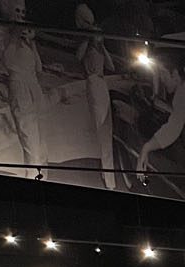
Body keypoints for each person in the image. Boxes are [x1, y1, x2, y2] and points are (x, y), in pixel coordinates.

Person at [0, 0, 45, 177]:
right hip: (19, 86)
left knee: (42, 138)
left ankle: (44, 179)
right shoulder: (3, 31)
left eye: (23, 12)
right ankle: (33, 178)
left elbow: (38, 68)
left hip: (34, 86)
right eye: (17, 11)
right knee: (30, 139)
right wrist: (15, 36)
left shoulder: (26, 36)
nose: (21, 15)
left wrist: (31, 43)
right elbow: (7, 61)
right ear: (9, 10)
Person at [136, 59, 185, 174]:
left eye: (163, 74)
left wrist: (146, 148)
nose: (162, 79)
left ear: (175, 74)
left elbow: (172, 128)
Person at [75, 5, 116, 191]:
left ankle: (107, 173)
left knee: (106, 127)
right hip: (93, 82)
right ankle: (107, 176)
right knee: (101, 129)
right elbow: (78, 57)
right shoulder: (86, 47)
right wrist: (89, 38)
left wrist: (102, 45)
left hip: (101, 82)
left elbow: (111, 66)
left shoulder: (99, 50)